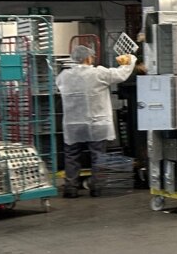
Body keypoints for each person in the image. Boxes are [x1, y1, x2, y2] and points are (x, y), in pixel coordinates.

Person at [56, 44, 135, 197]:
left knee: (71, 156)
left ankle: (70, 188)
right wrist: (130, 60)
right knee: (98, 155)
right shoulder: (98, 73)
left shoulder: (64, 76)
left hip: (73, 124)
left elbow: (59, 87)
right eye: (91, 57)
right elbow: (120, 74)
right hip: (96, 123)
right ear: (87, 58)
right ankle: (97, 187)